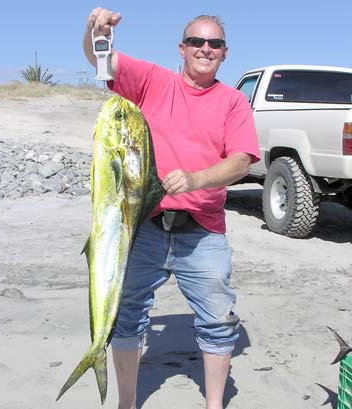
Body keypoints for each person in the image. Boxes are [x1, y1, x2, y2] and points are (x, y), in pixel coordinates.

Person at [84, 7, 260, 409]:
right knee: (125, 317)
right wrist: (93, 30)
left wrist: (197, 179)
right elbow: (100, 59)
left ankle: (214, 405)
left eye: (214, 43)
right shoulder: (153, 81)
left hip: (203, 231)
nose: (205, 49)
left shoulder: (233, 102)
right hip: (142, 226)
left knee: (218, 321)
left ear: (225, 53)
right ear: (182, 48)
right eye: (196, 41)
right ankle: (126, 403)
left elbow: (240, 161)